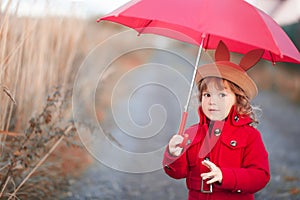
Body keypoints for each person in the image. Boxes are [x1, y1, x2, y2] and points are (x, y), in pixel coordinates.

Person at [162, 41, 270, 200]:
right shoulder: (192, 133)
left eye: (222, 95)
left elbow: (260, 176)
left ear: (237, 100)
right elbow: (178, 173)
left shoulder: (249, 136)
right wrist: (173, 155)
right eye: (207, 95)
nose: (213, 101)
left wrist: (225, 176)